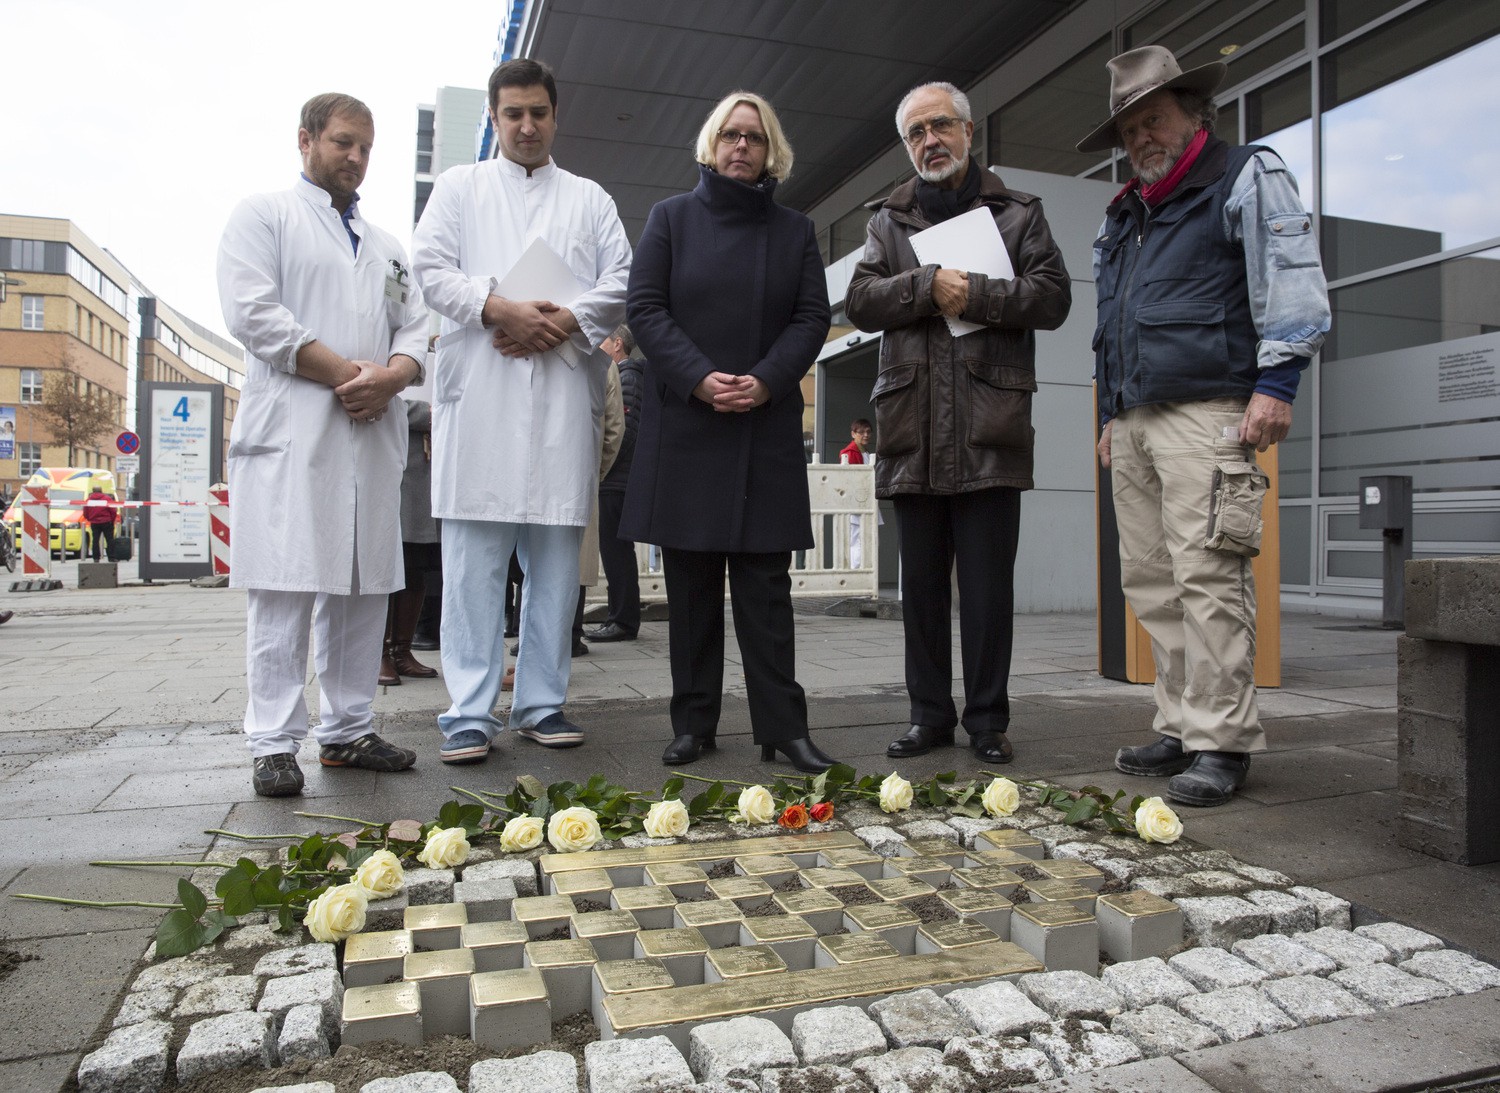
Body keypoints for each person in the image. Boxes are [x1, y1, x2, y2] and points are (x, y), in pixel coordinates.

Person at [1080, 46, 1330, 807]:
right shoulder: (1123, 213)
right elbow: (1110, 323)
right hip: (1135, 419)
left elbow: (1291, 274)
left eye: (1152, 119)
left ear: (1193, 112)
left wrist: (1277, 381)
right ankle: (1183, 722)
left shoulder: (1245, 174)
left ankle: (1222, 738)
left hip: (1211, 411)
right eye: (1129, 129)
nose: (1141, 138)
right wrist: (1107, 412)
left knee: (1209, 576)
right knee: (1152, 581)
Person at [846, 81, 1071, 766]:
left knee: (985, 590)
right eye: (915, 133)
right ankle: (928, 717)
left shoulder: (1019, 213)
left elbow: (1053, 297)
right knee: (919, 593)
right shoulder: (888, 220)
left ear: (969, 132)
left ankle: (988, 720)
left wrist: (971, 291)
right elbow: (859, 300)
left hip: (988, 425)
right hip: (912, 429)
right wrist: (926, 284)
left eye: (939, 126)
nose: (928, 141)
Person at [412, 59, 630, 764]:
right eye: (513, 114)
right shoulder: (458, 189)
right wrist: (498, 306)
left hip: (562, 399)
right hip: (482, 396)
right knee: (473, 568)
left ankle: (541, 701)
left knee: (556, 569)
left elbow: (622, 279)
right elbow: (430, 268)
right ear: (495, 118)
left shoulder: (590, 199)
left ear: (555, 116)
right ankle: (468, 710)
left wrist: (562, 321)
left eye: (538, 112)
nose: (527, 126)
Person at [622, 90, 837, 774]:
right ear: (711, 146)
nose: (741, 146)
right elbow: (645, 309)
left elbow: (810, 318)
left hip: (763, 427)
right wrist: (700, 376)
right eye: (730, 136)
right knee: (689, 590)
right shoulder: (670, 219)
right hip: (689, 423)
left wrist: (769, 379)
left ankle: (784, 727)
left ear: (772, 150)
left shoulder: (796, 230)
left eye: (754, 137)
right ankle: (693, 724)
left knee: (765, 592)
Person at [217, 92, 425, 797]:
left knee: (363, 585)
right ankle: (274, 741)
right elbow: (253, 312)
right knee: (285, 585)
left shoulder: (390, 247)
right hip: (296, 429)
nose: (356, 158)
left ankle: (347, 728)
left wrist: (393, 376)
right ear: (305, 139)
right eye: (343, 142)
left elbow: (419, 328)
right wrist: (345, 375)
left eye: (366, 147)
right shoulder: (264, 216)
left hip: (370, 435)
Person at [586, 324, 644, 643]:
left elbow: (624, 431)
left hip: (615, 480)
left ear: (618, 343)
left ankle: (622, 619)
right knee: (616, 551)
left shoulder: (627, 376)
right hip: (617, 479)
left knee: (616, 551)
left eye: (603, 340)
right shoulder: (625, 376)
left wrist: (604, 469)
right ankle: (619, 616)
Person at [380, 384, 441, 686]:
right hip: (396, 469)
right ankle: (378, 655)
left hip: (425, 479)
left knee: (415, 568)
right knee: (386, 569)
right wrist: (428, 413)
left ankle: (401, 651)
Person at [839, 418, 873, 567]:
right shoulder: (848, 453)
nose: (865, 435)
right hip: (856, 503)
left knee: (867, 540)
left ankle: (863, 573)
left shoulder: (866, 453)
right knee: (857, 540)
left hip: (868, 501)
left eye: (868, 431)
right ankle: (856, 573)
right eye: (861, 432)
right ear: (853, 434)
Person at [83, 485, 118, 562]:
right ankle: (111, 557)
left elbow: (85, 512)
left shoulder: (88, 500)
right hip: (106, 522)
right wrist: (112, 520)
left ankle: (96, 558)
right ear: (101, 490)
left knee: (95, 540)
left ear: (93, 491)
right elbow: (113, 511)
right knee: (109, 540)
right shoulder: (107, 499)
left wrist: (90, 518)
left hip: (94, 523)